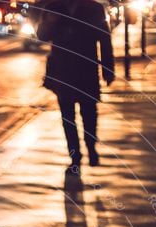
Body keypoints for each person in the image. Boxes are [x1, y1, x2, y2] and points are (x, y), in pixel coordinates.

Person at [37, 0, 115, 172]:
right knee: (68, 119)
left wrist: (108, 70)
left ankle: (91, 146)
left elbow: (104, 39)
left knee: (89, 114)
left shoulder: (94, 8)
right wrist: (50, 21)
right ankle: (75, 157)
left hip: (86, 70)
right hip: (62, 73)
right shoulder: (53, 7)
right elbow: (41, 35)